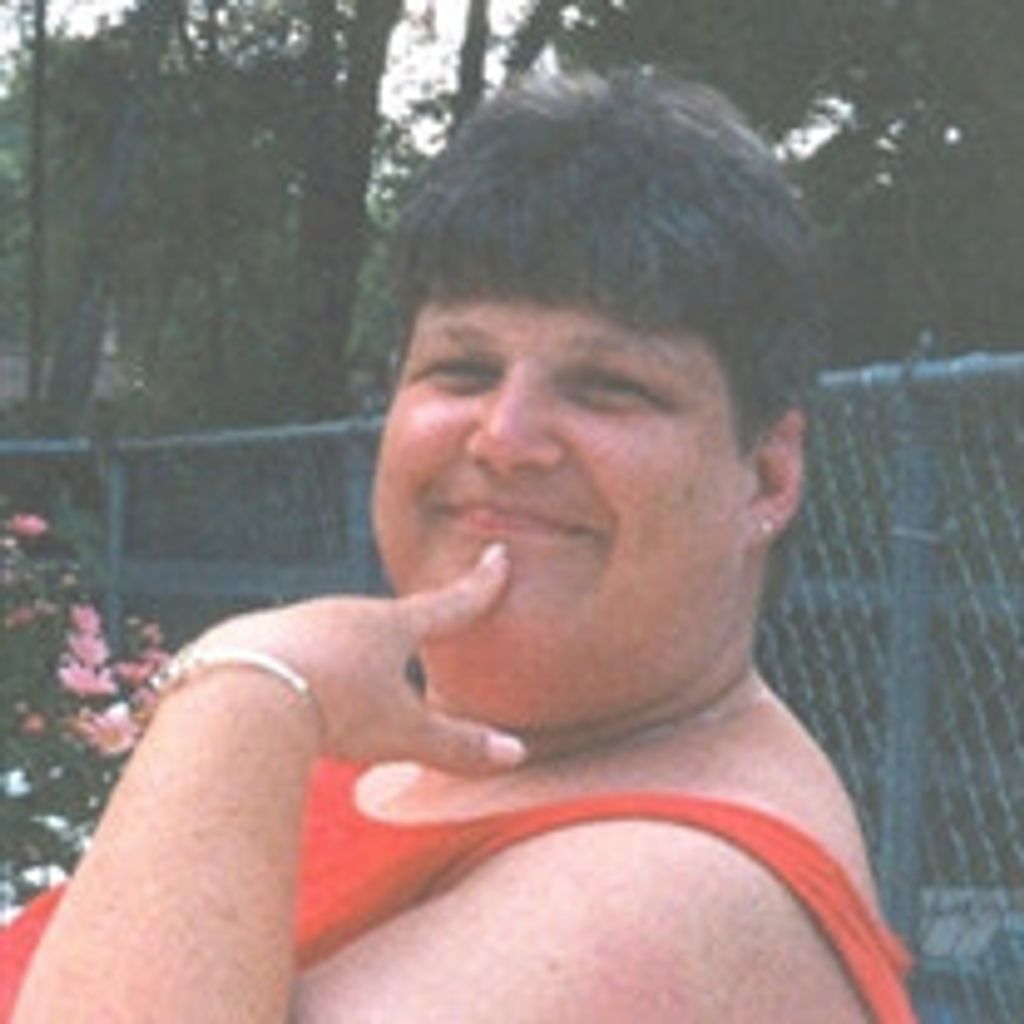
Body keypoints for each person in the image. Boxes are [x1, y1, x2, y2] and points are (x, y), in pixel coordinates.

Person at [4, 69, 916, 1022]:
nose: (506, 438)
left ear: (766, 477)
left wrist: (242, 686)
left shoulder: (670, 900)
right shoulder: (391, 754)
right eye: (464, 369)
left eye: (610, 387)